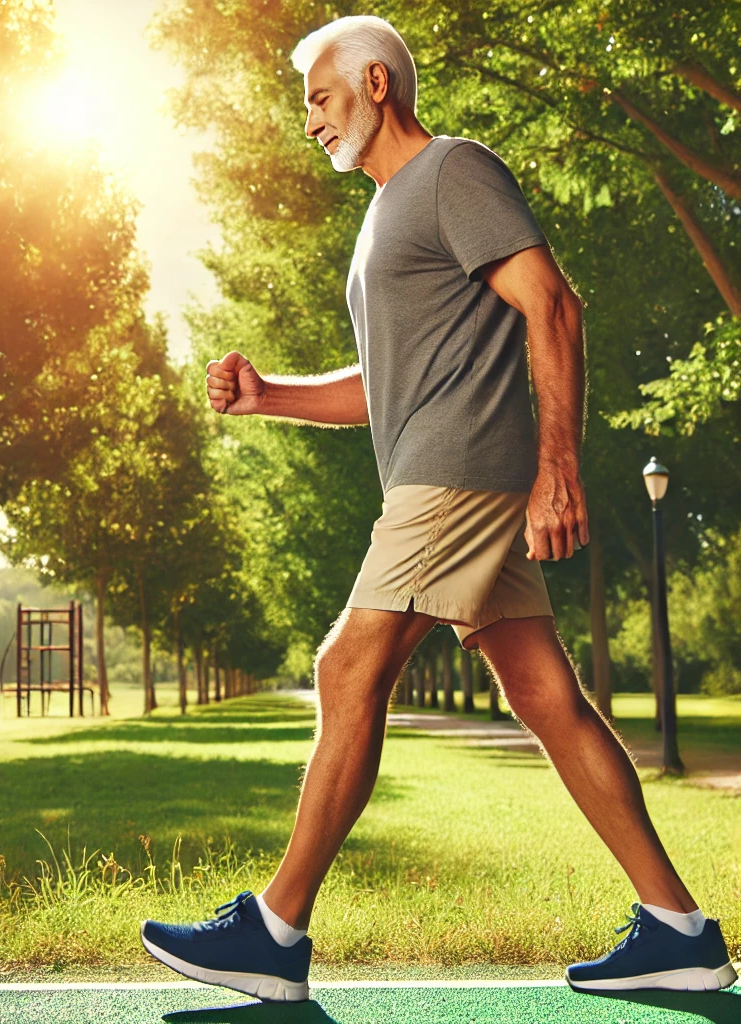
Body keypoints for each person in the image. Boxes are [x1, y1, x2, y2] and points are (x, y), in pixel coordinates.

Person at [139, 14, 736, 1003]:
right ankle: (677, 926)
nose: (309, 124)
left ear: (376, 83)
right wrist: (270, 395)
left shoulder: (451, 170)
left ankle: (276, 929)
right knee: (543, 695)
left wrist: (559, 469)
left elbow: (552, 303)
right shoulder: (384, 217)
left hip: (456, 472)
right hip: (448, 465)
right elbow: (387, 385)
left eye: (320, 101)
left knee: (346, 666)